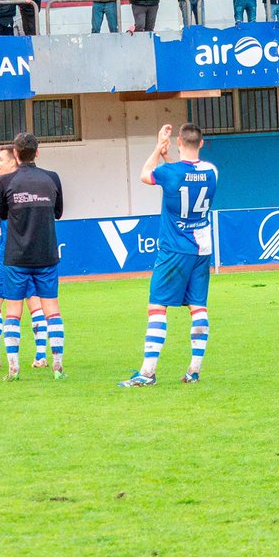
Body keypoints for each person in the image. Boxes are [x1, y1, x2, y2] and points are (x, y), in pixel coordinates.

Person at [119, 122, 216, 387]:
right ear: (201, 143)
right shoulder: (212, 171)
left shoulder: (169, 172)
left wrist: (158, 148)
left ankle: (147, 373)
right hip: (202, 249)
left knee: (157, 307)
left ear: (179, 142)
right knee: (198, 307)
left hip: (174, 249)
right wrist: (168, 157)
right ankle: (194, 371)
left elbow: (145, 175)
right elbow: (188, 176)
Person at [0, 132, 65, 381]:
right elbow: (58, 212)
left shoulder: (6, 181)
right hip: (46, 254)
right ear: (37, 152)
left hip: (16, 257)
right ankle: (57, 366)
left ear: (15, 153)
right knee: (52, 310)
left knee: (13, 311)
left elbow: (3, 214)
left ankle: (13, 368)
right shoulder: (52, 178)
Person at [0, 145, 48, 371]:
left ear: (13, 161)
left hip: (9, 253)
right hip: (35, 251)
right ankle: (41, 355)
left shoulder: (3, 186)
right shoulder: (34, 183)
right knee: (34, 302)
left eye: (0, 159)